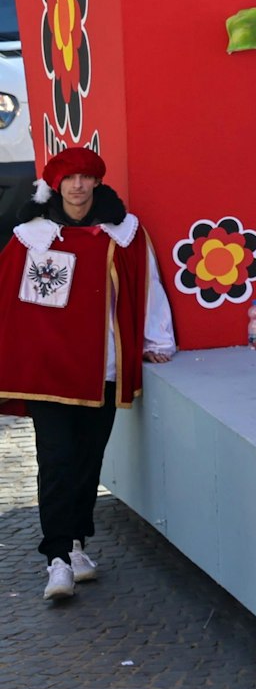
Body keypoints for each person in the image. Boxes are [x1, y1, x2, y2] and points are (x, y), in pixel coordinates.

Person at [0, 146, 174, 601]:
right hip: (48, 371)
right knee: (55, 461)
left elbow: (147, 286)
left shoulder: (124, 234)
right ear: (55, 185)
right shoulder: (30, 237)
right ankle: (56, 558)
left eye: (85, 177)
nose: (77, 186)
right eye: (69, 178)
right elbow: (8, 301)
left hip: (104, 368)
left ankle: (77, 544)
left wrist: (157, 342)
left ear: (97, 182)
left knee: (86, 460)